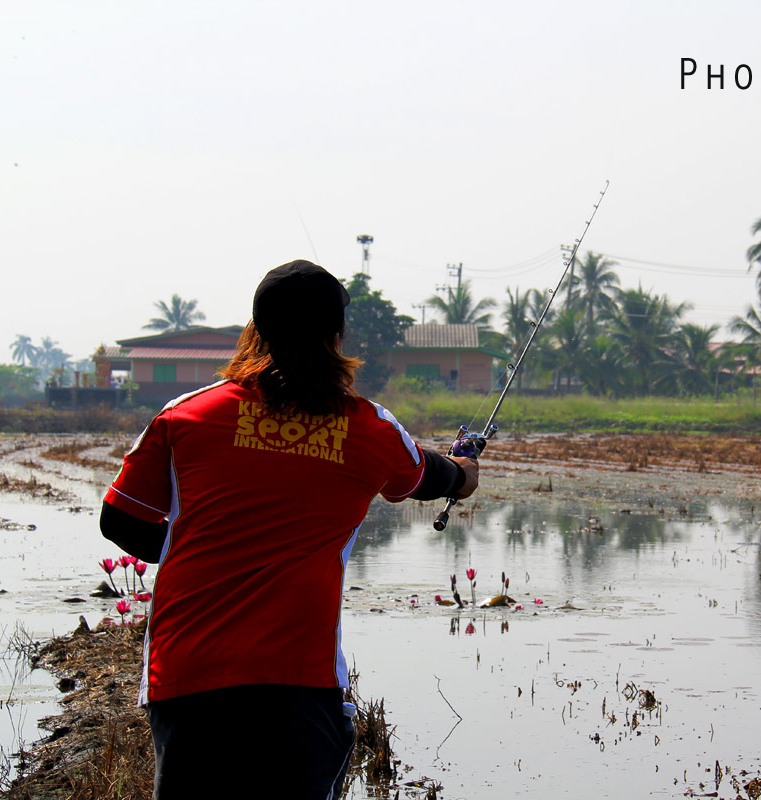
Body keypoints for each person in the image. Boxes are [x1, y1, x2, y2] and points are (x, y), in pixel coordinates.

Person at [99, 260, 479, 799]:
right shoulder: (370, 429)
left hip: (187, 675)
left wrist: (201, 551)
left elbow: (119, 520)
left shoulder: (186, 416)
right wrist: (466, 469)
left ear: (256, 329)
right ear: (337, 336)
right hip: (297, 686)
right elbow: (437, 478)